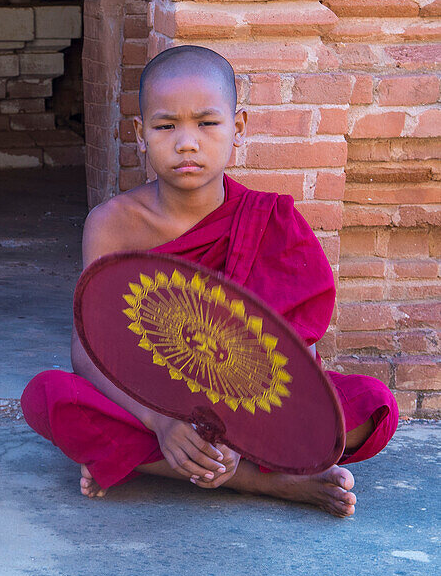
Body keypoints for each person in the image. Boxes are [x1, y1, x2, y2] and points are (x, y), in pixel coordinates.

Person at [21, 45, 397, 517]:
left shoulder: (268, 219)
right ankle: (269, 482)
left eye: (206, 123)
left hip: (254, 402)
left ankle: (141, 461)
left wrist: (245, 431)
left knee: (375, 405)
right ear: (140, 135)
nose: (186, 143)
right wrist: (159, 421)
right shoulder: (112, 223)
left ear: (237, 128)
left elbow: (298, 351)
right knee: (49, 397)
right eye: (165, 126)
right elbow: (88, 350)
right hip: (152, 397)